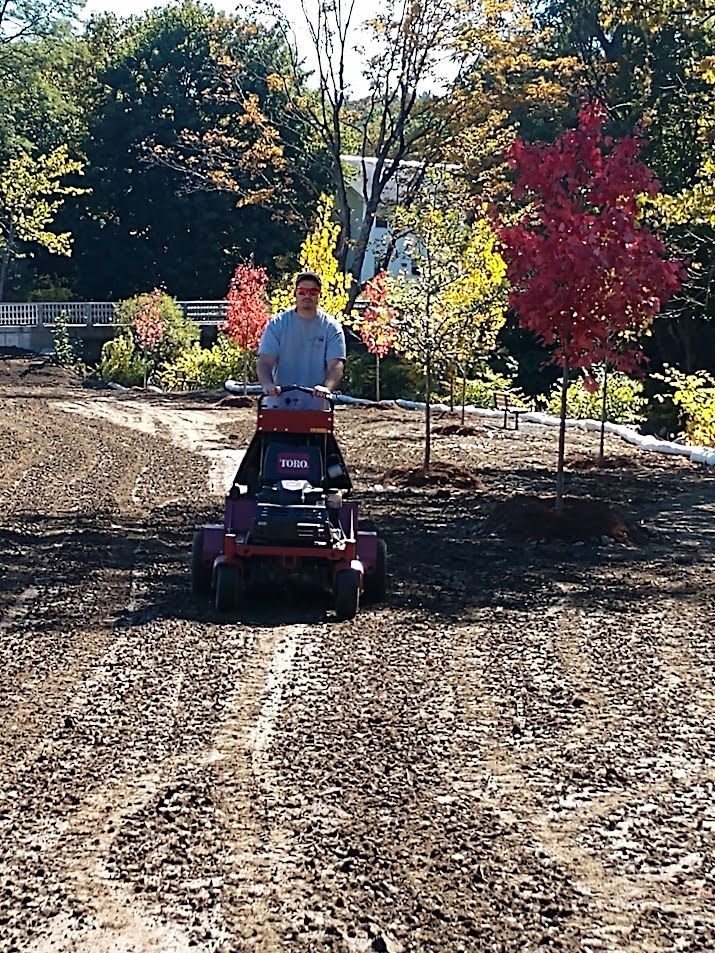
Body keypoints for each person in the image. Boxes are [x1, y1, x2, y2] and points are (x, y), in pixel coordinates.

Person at [256, 271, 346, 409]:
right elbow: (264, 361)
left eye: (313, 291)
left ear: (319, 295)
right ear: (295, 294)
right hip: (279, 406)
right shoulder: (277, 324)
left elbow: (336, 365)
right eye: (302, 291)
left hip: (316, 408)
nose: (307, 295)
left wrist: (327, 387)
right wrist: (268, 385)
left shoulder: (332, 328)